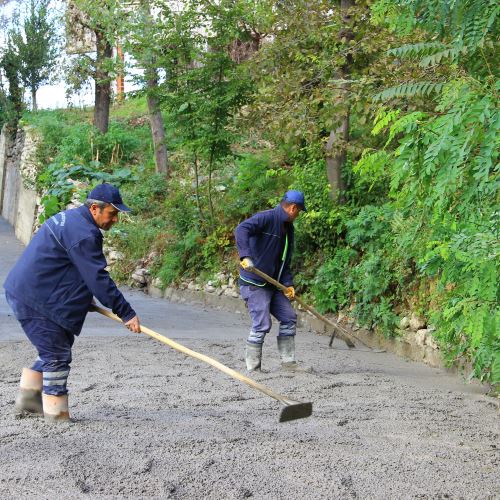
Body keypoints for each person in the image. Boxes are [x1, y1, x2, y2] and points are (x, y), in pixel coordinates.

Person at [4, 183, 141, 422]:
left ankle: (28, 401)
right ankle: (56, 416)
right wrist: (125, 312)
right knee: (56, 355)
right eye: (113, 213)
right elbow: (98, 278)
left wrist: (80, 297)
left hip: (36, 293)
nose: (115, 220)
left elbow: (70, 267)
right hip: (35, 298)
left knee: (54, 348)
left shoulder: (70, 219)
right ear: (95, 209)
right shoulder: (84, 233)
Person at [235, 190, 306, 372]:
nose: (298, 215)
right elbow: (241, 229)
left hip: (273, 284)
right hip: (254, 283)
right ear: (292, 208)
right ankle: (253, 367)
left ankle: (288, 363)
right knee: (262, 323)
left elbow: (285, 260)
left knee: (289, 318)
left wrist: (287, 283)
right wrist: (245, 255)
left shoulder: (289, 230)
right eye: (299, 211)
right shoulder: (266, 218)